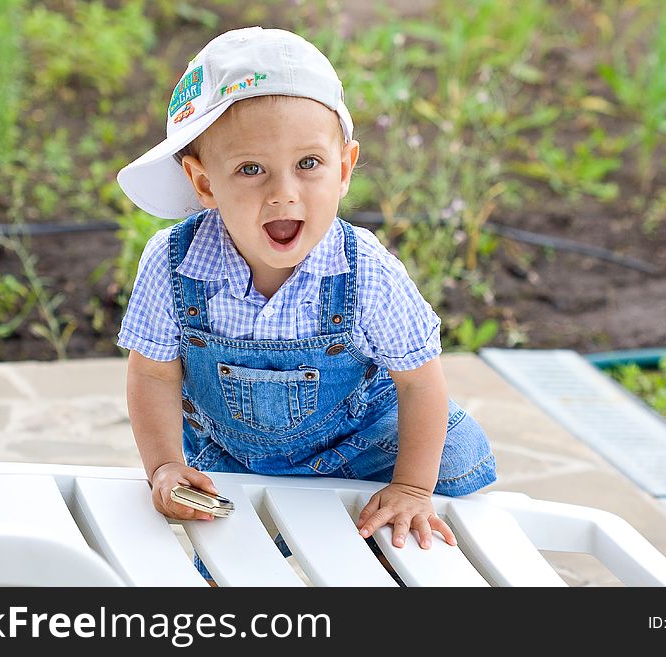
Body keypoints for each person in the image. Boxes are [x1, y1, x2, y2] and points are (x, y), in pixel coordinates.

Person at [115, 26, 497, 578]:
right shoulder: (173, 262)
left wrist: (412, 486)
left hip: (358, 444)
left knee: (447, 465)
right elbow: (152, 375)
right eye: (251, 169)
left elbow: (419, 380)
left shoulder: (364, 269)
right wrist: (165, 465)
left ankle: (372, 532)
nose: (284, 192)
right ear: (203, 183)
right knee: (233, 561)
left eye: (309, 164)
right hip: (233, 454)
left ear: (344, 168)